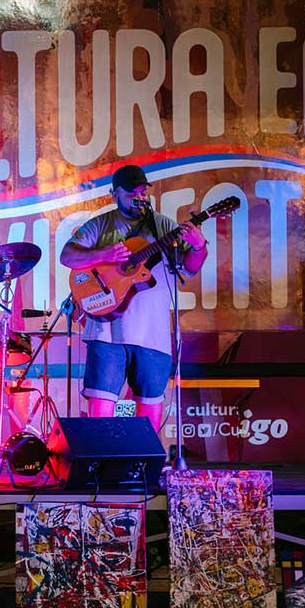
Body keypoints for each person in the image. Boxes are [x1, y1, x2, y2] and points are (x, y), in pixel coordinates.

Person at [60, 164, 208, 433]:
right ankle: (99, 462)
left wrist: (199, 245)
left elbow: (191, 266)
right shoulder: (101, 224)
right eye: (132, 194)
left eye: (143, 192)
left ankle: (145, 463)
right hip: (106, 330)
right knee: (101, 398)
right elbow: (67, 255)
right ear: (114, 194)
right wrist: (102, 256)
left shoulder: (162, 225)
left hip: (152, 331)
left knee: (150, 400)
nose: (140, 197)